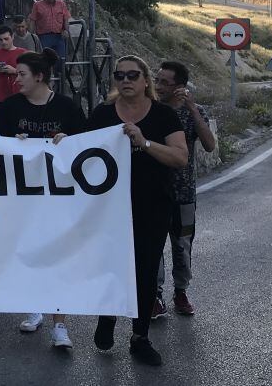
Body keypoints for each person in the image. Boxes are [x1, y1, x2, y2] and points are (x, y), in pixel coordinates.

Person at [88, 56, 188, 367]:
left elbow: (180, 157)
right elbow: (81, 151)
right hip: (108, 207)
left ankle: (139, 338)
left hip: (152, 204)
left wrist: (144, 142)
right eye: (120, 75)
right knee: (110, 266)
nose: (126, 80)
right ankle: (107, 318)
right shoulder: (103, 114)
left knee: (144, 271)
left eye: (133, 74)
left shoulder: (163, 115)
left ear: (145, 80)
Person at [0, 49, 87, 348]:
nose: (15, 79)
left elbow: (88, 148)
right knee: (28, 254)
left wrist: (70, 142)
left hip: (58, 198)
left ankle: (60, 325)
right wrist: (12, 143)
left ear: (39, 76)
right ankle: (34, 307)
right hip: (22, 198)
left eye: (21, 74)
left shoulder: (67, 107)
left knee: (58, 258)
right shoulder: (9, 107)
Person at [153, 61, 216, 318]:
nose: (158, 86)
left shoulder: (195, 111)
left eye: (164, 82)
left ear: (179, 87)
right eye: (156, 80)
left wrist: (191, 107)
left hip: (184, 194)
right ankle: (154, 295)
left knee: (182, 245)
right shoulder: (151, 110)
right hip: (154, 192)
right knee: (153, 246)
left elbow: (210, 145)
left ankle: (181, 291)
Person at [0, 26, 29, 107]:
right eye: (0, 40)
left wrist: (14, 71)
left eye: (6, 39)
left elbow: (30, 75)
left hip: (18, 96)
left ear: (12, 37)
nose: (3, 42)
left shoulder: (23, 53)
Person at [28, 0, 72, 64]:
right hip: (44, 37)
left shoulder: (61, 4)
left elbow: (66, 19)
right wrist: (31, 36)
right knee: (44, 60)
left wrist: (66, 30)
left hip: (59, 36)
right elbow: (32, 20)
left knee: (61, 59)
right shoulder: (37, 5)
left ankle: (59, 75)